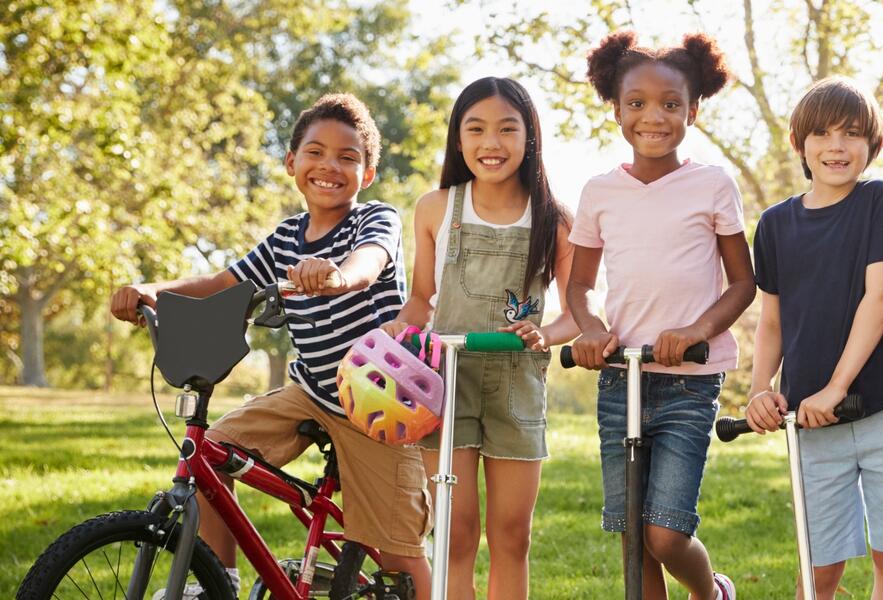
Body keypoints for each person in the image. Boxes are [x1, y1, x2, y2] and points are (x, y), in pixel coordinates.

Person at [109, 93, 432, 598]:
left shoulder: (375, 220)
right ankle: (218, 582)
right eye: (316, 152)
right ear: (292, 163)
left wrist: (337, 276)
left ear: (366, 175)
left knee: (398, 550)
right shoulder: (285, 239)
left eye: (348, 157)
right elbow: (223, 284)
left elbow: (368, 263)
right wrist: (155, 289)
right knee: (210, 454)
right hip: (309, 392)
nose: (330, 165)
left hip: (377, 405)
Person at [566, 30, 754, 600]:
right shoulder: (600, 192)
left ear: (693, 110)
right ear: (617, 109)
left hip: (689, 381)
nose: (655, 116)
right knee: (632, 538)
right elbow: (578, 284)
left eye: (671, 104)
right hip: (622, 378)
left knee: (665, 535)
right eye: (638, 103)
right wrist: (592, 329)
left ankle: (709, 592)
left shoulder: (713, 184)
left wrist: (697, 330)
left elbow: (743, 283)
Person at [380, 76, 577, 600]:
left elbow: (579, 314)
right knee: (456, 533)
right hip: (446, 383)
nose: (491, 143)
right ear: (458, 138)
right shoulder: (436, 207)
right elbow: (422, 299)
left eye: (507, 129)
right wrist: (402, 326)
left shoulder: (554, 220)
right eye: (477, 129)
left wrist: (546, 333)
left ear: (529, 137)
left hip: (518, 387)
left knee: (512, 536)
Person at [745, 76, 883, 600]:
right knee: (819, 564)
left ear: (874, 145)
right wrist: (762, 389)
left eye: (851, 133)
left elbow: (879, 299)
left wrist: (836, 386)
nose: (836, 146)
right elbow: (772, 320)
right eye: (822, 134)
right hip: (810, 418)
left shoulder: (877, 200)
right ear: (798, 143)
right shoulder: (775, 224)